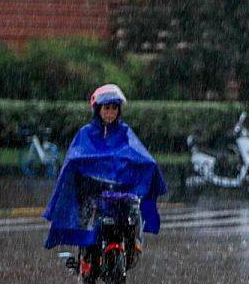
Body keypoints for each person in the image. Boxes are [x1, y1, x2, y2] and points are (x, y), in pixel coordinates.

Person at [43, 85, 167, 271]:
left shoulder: (125, 132)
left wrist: (148, 167)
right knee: (88, 224)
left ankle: (132, 246)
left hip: (120, 195)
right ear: (98, 109)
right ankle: (85, 256)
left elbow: (138, 154)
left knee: (133, 218)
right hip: (93, 193)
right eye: (106, 108)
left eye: (114, 108)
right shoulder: (86, 133)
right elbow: (75, 157)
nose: (110, 113)